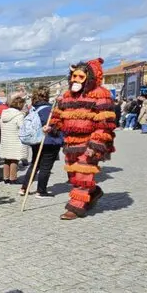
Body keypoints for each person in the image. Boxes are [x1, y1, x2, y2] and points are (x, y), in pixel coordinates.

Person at [47, 59, 116, 219]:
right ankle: (94, 192)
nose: (75, 80)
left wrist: (96, 144)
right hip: (71, 143)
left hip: (90, 142)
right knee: (73, 175)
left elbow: (105, 123)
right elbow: (58, 116)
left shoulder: (101, 95)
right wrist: (52, 126)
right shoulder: (67, 96)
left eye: (80, 76)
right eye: (74, 76)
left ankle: (75, 208)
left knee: (83, 174)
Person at [19, 88, 61, 197]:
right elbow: (55, 126)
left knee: (35, 164)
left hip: (36, 140)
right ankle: (41, 191)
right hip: (49, 141)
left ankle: (24, 188)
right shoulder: (49, 109)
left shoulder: (33, 109)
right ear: (46, 96)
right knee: (45, 167)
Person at [0, 95, 26, 184]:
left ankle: (5, 177)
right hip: (15, 140)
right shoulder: (19, 115)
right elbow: (22, 127)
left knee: (7, 159)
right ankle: (13, 178)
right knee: (14, 159)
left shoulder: (4, 114)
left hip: (5, 139)